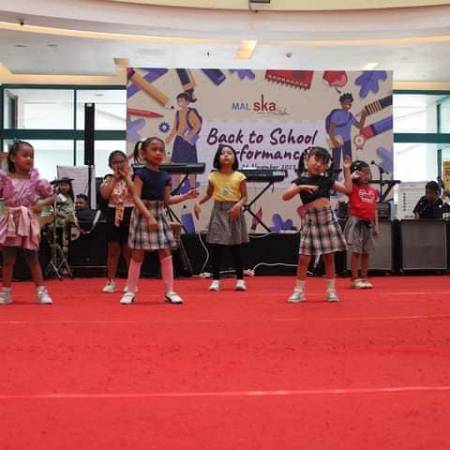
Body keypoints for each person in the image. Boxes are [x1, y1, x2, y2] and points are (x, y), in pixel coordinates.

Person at [120, 137, 198, 305]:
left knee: (165, 252)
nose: (158, 153)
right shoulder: (140, 174)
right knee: (137, 254)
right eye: (154, 149)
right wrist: (148, 216)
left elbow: (167, 200)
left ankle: (170, 291)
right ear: (143, 154)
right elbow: (136, 197)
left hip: (159, 214)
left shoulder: (165, 176)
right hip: (142, 214)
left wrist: (186, 196)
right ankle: (130, 291)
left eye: (161, 150)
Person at [282, 146, 351, 303]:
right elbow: (285, 196)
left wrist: (347, 169)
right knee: (304, 258)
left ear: (326, 167)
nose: (318, 164)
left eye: (323, 163)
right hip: (310, 220)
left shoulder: (327, 180)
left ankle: (331, 291)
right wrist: (300, 188)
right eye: (316, 159)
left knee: (329, 257)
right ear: (307, 159)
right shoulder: (300, 181)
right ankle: (299, 291)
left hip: (327, 219)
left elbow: (348, 188)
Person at [0, 141, 54, 304]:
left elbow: (51, 196)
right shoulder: (5, 178)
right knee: (8, 259)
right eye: (25, 155)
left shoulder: (35, 180)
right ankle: (5, 292)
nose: (29, 159)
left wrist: (39, 205)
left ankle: (41, 291)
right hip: (11, 220)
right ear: (13, 158)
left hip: (27, 220)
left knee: (32, 257)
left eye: (31, 156)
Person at [194, 144, 248, 291]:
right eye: (222, 153)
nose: (226, 155)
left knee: (236, 247)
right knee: (217, 247)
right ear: (218, 157)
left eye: (229, 153)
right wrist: (198, 202)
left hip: (234, 212)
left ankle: (240, 280)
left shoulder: (240, 176)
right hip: (218, 212)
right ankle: (216, 280)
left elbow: (244, 197)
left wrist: (238, 206)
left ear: (234, 158)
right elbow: (208, 194)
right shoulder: (213, 176)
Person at [100, 151, 134, 293]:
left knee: (128, 249)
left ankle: (131, 282)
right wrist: (115, 178)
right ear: (110, 165)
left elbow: (136, 193)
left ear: (127, 162)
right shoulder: (107, 180)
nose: (119, 165)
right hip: (113, 212)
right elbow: (105, 195)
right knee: (113, 249)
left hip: (129, 212)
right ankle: (111, 281)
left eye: (121, 161)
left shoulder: (134, 177)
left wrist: (126, 177)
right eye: (115, 162)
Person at [343, 160, 379, 289]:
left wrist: (376, 226)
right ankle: (355, 278)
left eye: (368, 173)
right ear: (356, 174)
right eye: (363, 173)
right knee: (356, 251)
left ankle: (364, 277)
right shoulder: (352, 188)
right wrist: (350, 176)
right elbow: (343, 186)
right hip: (356, 222)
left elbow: (374, 208)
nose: (367, 176)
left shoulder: (372, 191)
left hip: (368, 223)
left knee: (366, 251)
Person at [326, 93, 367, 180]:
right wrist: (334, 141)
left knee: (348, 162)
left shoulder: (350, 116)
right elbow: (331, 130)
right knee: (336, 162)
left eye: (350, 103)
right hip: (337, 140)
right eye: (346, 103)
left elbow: (359, 126)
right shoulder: (336, 114)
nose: (348, 105)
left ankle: (348, 179)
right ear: (341, 103)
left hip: (347, 141)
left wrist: (363, 117)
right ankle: (334, 180)